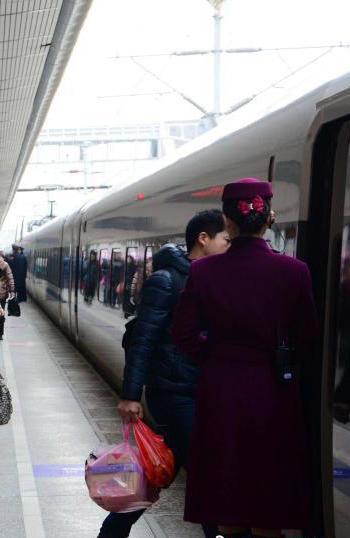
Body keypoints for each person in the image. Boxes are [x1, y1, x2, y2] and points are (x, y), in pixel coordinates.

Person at [171, 179, 317, 538]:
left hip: (221, 395)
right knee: (268, 504)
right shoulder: (295, 272)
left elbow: (183, 334)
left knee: (228, 503)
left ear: (227, 220)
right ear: (269, 217)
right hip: (274, 396)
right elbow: (308, 340)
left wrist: (217, 357)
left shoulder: (202, 272)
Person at [97, 209, 229, 538]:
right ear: (204, 238)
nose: (230, 246)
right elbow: (143, 339)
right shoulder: (166, 281)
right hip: (172, 391)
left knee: (162, 469)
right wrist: (130, 395)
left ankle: (111, 532)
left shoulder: (212, 279)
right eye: (226, 239)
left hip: (199, 389)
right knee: (205, 472)